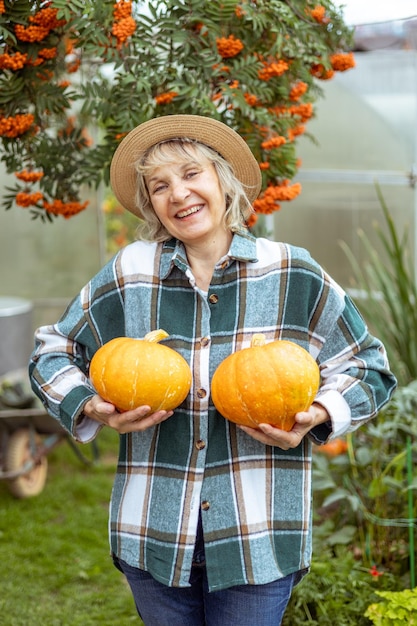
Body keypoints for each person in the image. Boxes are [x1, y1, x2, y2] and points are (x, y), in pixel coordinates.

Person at [29, 114, 397, 626]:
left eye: (191, 174)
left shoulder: (292, 271)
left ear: (223, 180)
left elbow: (368, 367)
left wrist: (316, 414)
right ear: (153, 203)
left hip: (259, 532)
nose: (178, 194)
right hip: (154, 528)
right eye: (160, 186)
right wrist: (90, 404)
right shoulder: (131, 272)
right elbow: (53, 350)